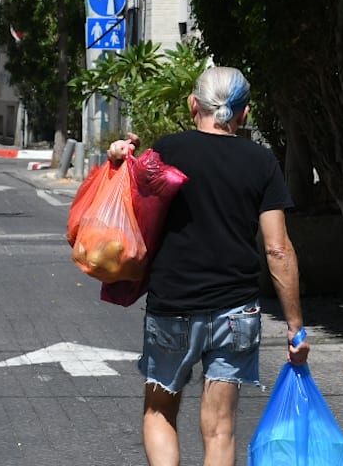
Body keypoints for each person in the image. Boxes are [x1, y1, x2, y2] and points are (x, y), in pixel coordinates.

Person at [107, 66, 309, 466]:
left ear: (192, 104)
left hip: (173, 305)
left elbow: (130, 203)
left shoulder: (168, 150)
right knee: (220, 428)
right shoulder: (261, 162)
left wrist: (119, 157)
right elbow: (278, 249)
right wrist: (294, 325)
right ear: (244, 113)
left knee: (160, 410)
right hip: (236, 311)